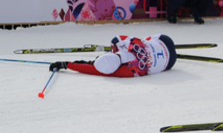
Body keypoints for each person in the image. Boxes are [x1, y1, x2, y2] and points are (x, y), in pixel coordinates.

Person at [48, 34, 177, 78]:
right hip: (164, 40)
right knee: (145, 40)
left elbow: (91, 69)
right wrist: (114, 48)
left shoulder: (127, 72)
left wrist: (66, 64)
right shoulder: (130, 43)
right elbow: (117, 39)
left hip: (169, 63)